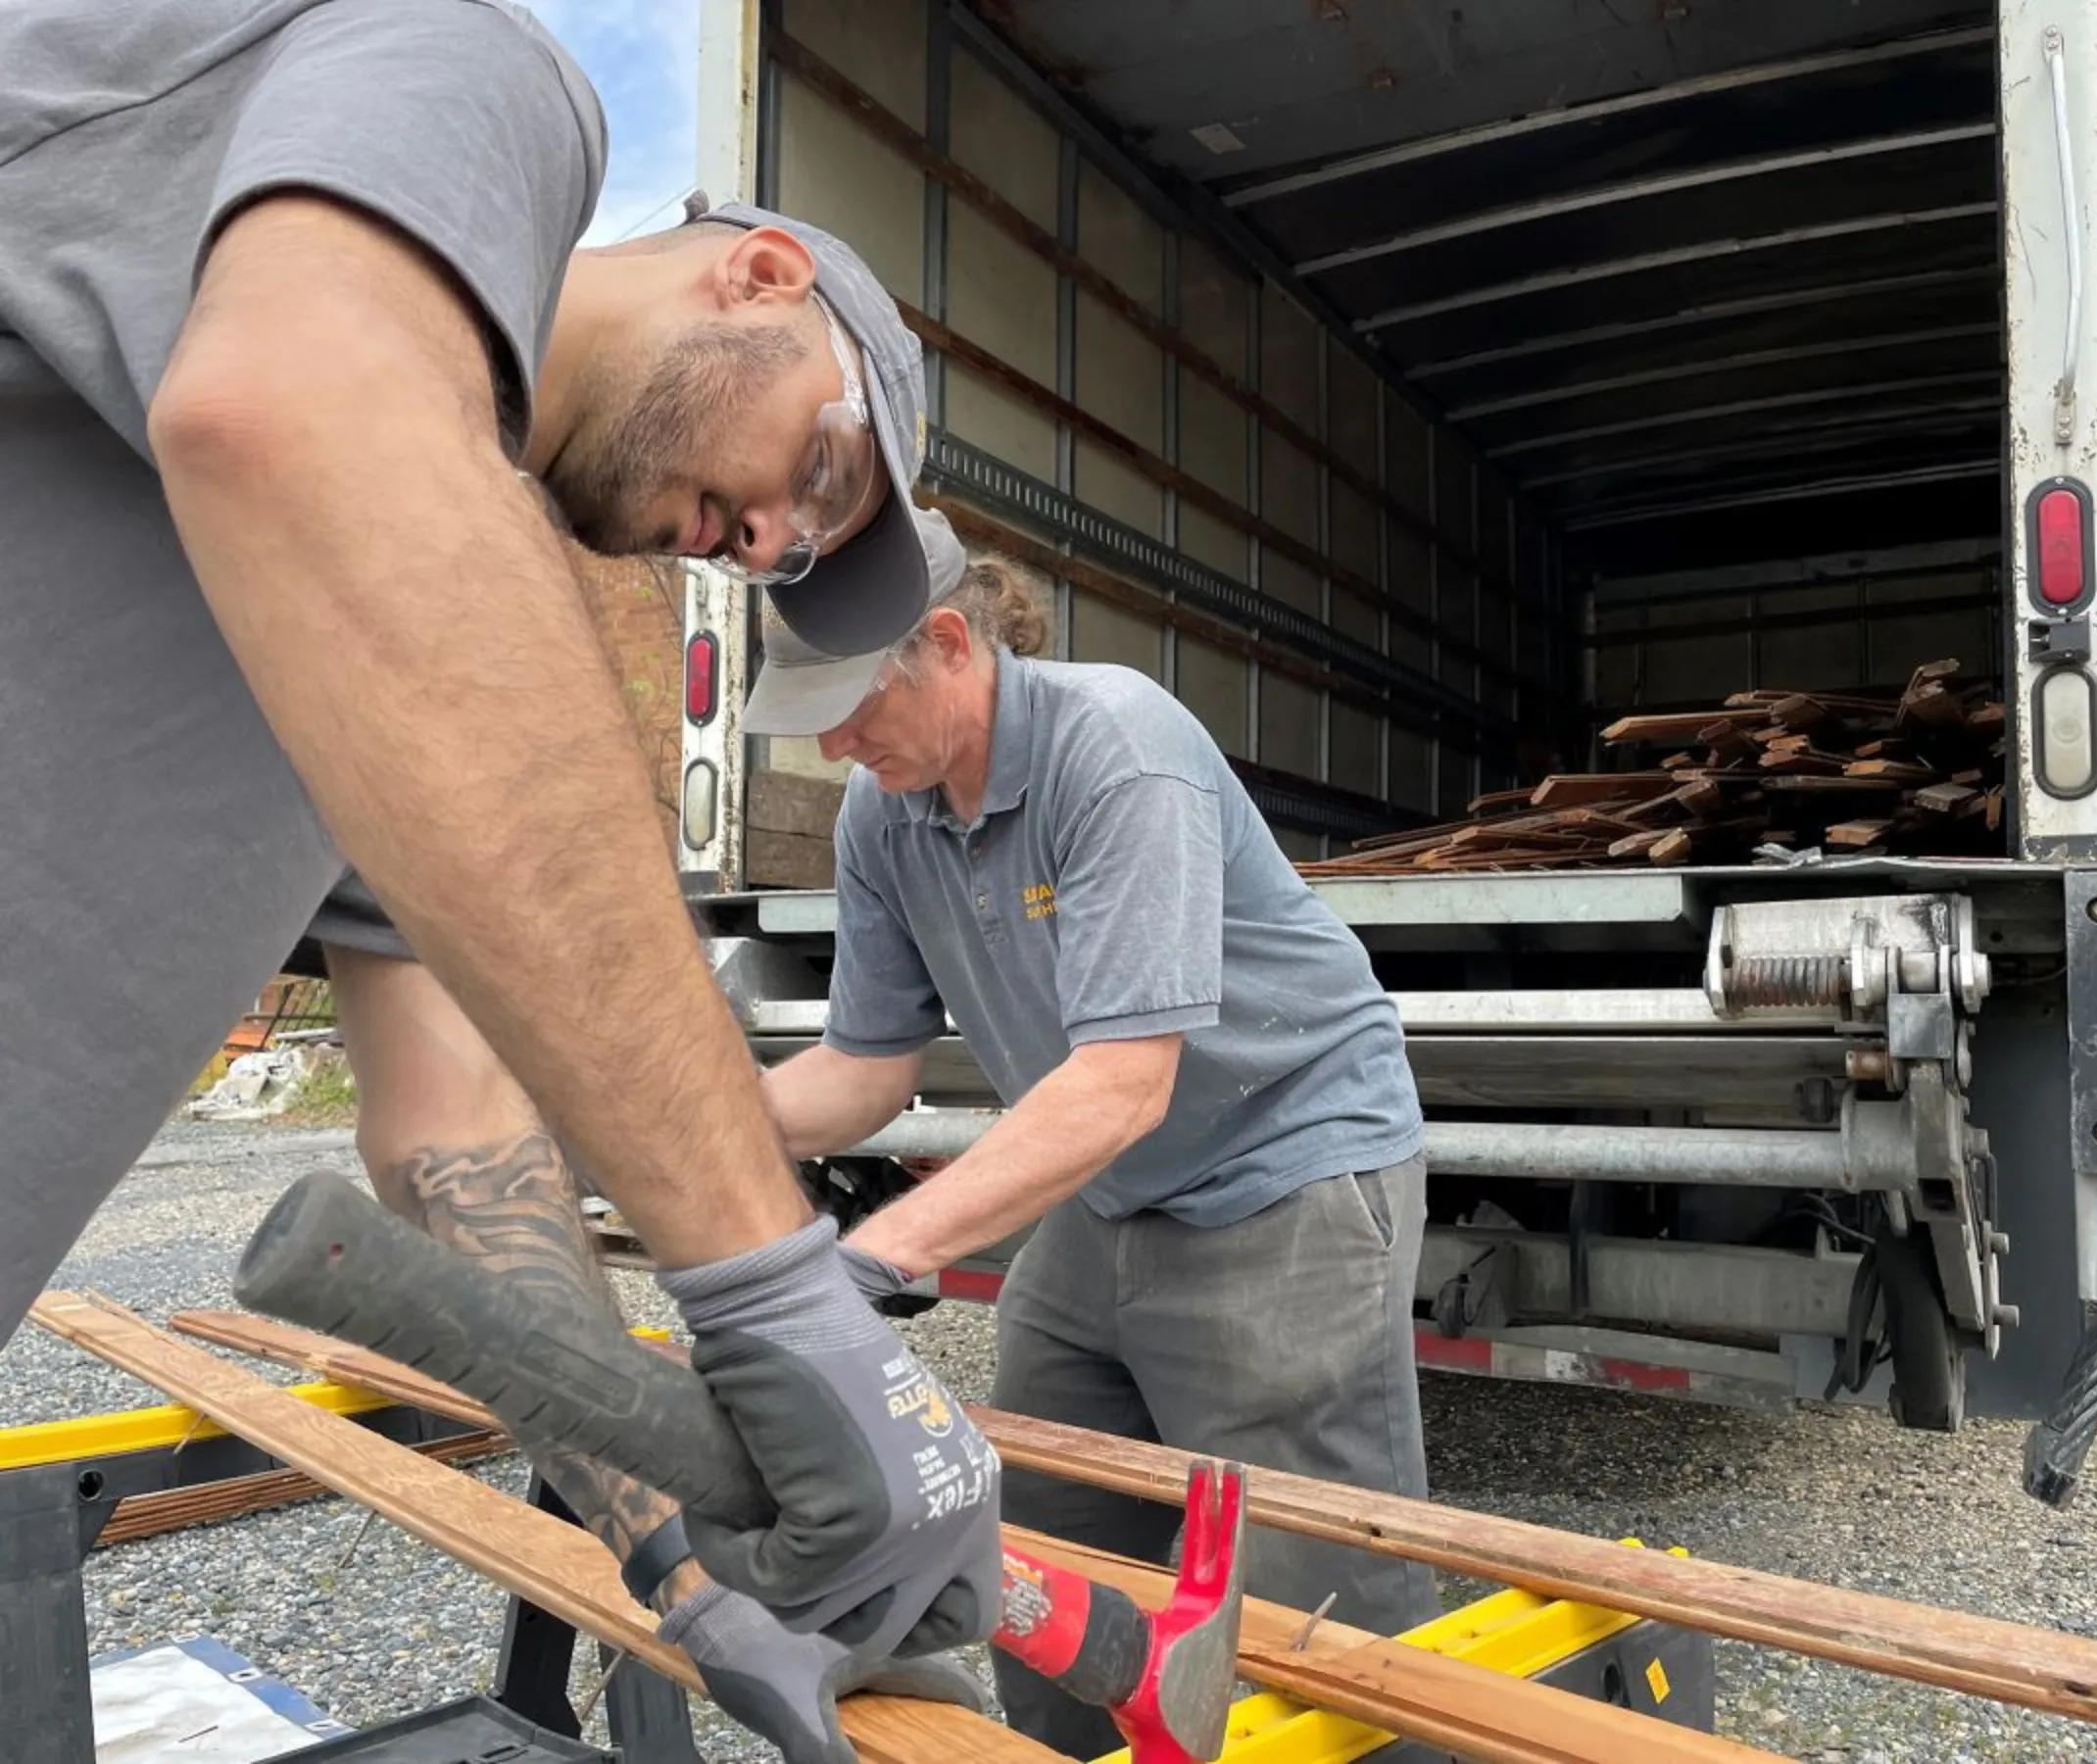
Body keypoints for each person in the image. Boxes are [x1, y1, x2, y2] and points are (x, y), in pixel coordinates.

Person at [0, 3, 997, 1751]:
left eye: (805, 558)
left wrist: (685, 1567)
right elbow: (292, 410)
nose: (770, 542)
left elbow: (463, 1147)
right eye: (815, 474)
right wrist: (767, 1282)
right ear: (759, 275)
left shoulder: (386, 677)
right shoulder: (475, 69)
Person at [754, 535, 1444, 1757]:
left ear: (952, 646)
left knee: (1304, 1599)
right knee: (1049, 1525)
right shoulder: (886, 813)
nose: (832, 750)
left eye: (849, 708)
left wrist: (869, 1260)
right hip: (1117, 1189)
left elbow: (1125, 1084)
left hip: (1283, 1162)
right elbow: (865, 1071)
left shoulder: (1115, 748)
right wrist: (685, 1134)